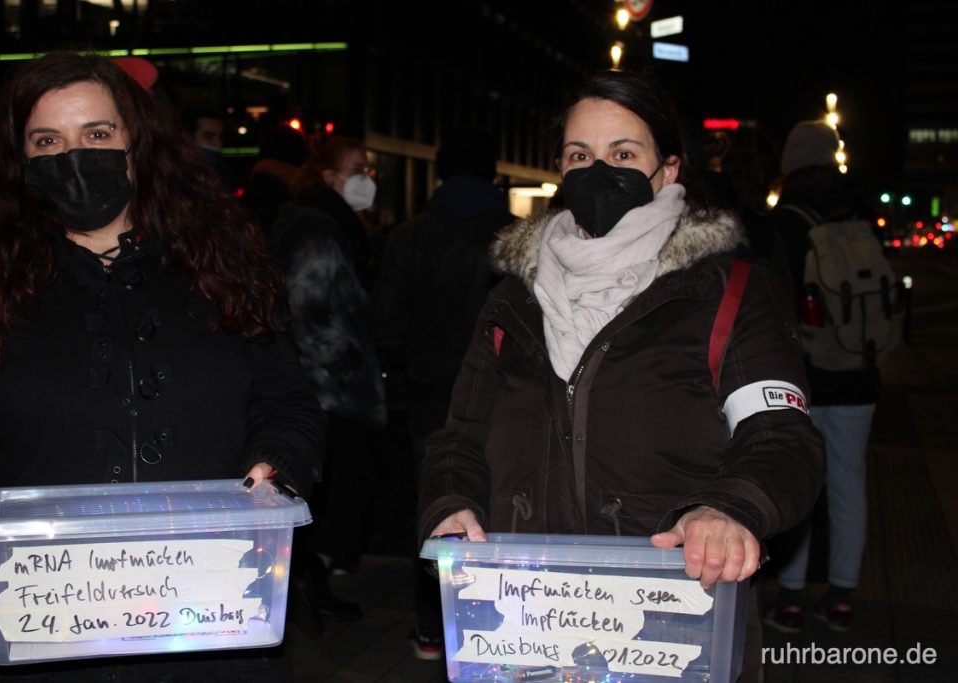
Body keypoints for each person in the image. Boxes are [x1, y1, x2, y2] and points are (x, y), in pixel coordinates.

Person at [416, 70, 825, 681]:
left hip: (672, 628)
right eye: (580, 155)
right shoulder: (512, 300)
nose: (598, 172)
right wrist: (449, 504)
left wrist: (731, 510)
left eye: (624, 154)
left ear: (668, 170)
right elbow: (459, 438)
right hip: (528, 624)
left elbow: (781, 435)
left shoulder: (729, 292)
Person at [0, 52, 326, 681]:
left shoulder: (222, 264)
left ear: (137, 142)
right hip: (38, 627)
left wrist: (279, 467)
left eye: (96, 133)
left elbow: (286, 401)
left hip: (210, 623)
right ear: (20, 159)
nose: (74, 155)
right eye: (47, 140)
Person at [371, 124, 515, 660]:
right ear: (493, 171)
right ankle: (499, 623)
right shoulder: (514, 235)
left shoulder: (409, 237)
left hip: (429, 391)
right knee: (499, 501)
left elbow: (385, 319)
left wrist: (409, 364)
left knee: (435, 500)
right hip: (501, 393)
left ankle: (433, 626)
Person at [764, 120, 881, 634]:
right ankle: (841, 597)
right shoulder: (861, 214)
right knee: (849, 485)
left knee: (799, 485)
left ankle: (789, 598)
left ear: (790, 162)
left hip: (803, 378)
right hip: (858, 373)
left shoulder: (785, 221)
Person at [267, 136, 386, 633]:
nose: (366, 178)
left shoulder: (326, 221)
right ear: (328, 175)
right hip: (326, 389)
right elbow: (309, 308)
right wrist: (344, 361)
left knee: (321, 495)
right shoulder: (319, 228)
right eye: (357, 167)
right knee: (322, 496)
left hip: (325, 384)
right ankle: (308, 585)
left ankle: (311, 582)